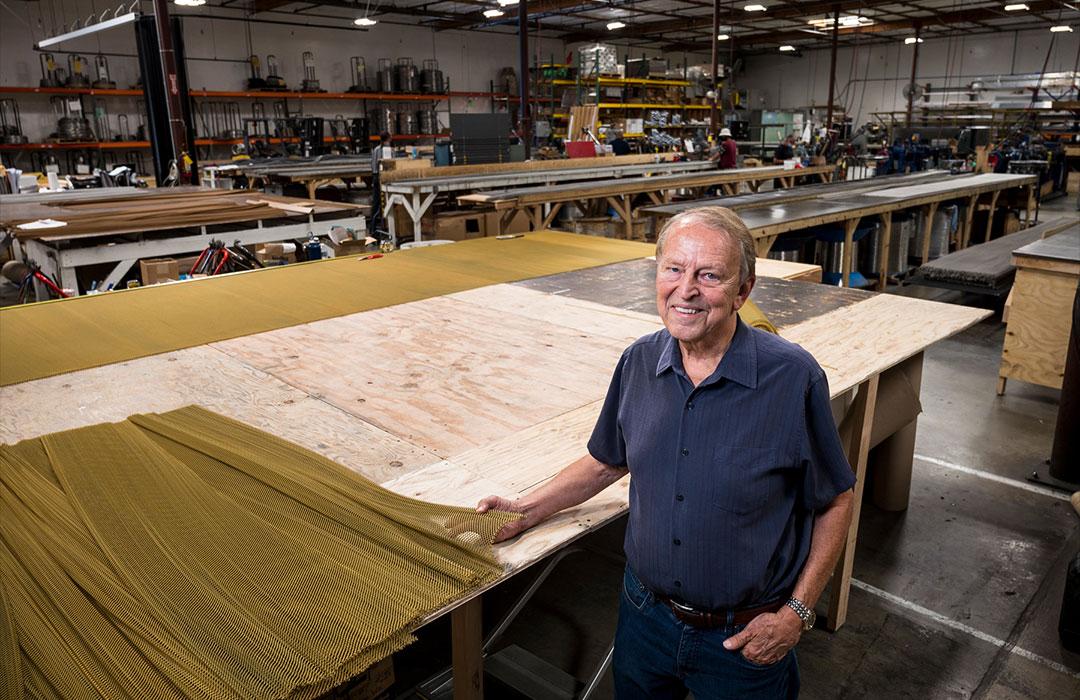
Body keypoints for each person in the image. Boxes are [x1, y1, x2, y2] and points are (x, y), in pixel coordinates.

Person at [477, 206, 856, 699]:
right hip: (644, 618)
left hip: (744, 638)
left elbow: (836, 500)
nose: (687, 289)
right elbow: (606, 460)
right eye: (674, 269)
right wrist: (527, 510)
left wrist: (796, 615)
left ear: (743, 290)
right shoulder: (638, 362)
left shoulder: (792, 379)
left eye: (710, 275)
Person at [369, 131, 393, 235]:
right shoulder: (387, 150)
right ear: (388, 139)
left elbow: (373, 164)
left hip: (377, 176)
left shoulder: (376, 149)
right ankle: (375, 228)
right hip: (381, 177)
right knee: (379, 203)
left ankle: (373, 228)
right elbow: (390, 163)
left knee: (377, 203)